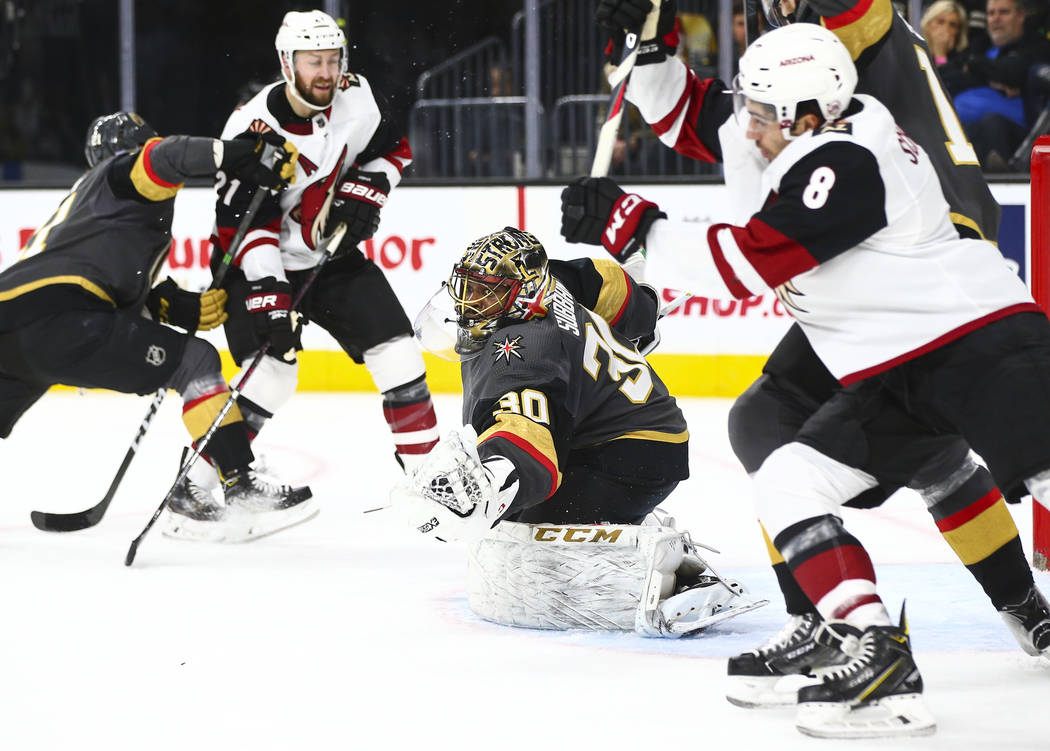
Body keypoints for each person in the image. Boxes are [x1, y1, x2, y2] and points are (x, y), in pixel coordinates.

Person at [561, 21, 1050, 738]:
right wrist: (648, 51)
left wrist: (634, 225)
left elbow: (750, 264)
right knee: (784, 475)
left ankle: (1018, 604)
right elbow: (695, 115)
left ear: (809, 116)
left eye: (760, 116)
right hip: (897, 369)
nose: (746, 127)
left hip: (984, 346)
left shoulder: (850, 155)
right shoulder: (795, 121)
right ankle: (871, 653)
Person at [391, 227, 764, 637]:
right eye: (469, 286)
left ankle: (670, 576)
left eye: (489, 291)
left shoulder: (520, 349)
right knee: (520, 517)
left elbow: (528, 442)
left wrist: (486, 485)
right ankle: (627, 523)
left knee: (524, 526)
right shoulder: (555, 284)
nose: (470, 302)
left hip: (630, 453)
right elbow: (609, 282)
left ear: (522, 293)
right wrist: (644, 310)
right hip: (638, 434)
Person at [167, 10, 440, 539]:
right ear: (286, 63)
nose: (326, 71)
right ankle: (194, 483)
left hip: (328, 254)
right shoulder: (250, 131)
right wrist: (271, 298)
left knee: (398, 351)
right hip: (252, 266)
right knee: (272, 375)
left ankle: (429, 481)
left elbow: (394, 149)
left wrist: (369, 189)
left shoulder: (356, 97)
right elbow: (243, 229)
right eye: (313, 60)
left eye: (333, 59)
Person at [0, 112, 316, 542]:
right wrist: (238, 155)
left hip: (14, 321)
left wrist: (170, 305)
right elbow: (163, 157)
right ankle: (241, 486)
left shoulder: (88, 206)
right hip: (59, 320)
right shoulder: (122, 175)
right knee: (195, 361)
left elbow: (100, 281)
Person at [940, 0, 1050, 169]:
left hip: (1012, 134)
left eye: (1003, 12)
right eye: (991, 13)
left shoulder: (1036, 45)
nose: (995, 18)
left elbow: (1013, 73)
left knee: (991, 122)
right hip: (961, 131)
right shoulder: (979, 46)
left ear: (1020, 15)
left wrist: (973, 67)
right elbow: (945, 75)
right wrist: (989, 76)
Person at [921, 0, 970, 68]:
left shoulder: (963, 62)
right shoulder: (916, 52)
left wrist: (940, 55)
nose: (945, 29)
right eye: (940, 22)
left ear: (959, 32)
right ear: (928, 24)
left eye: (952, 25)